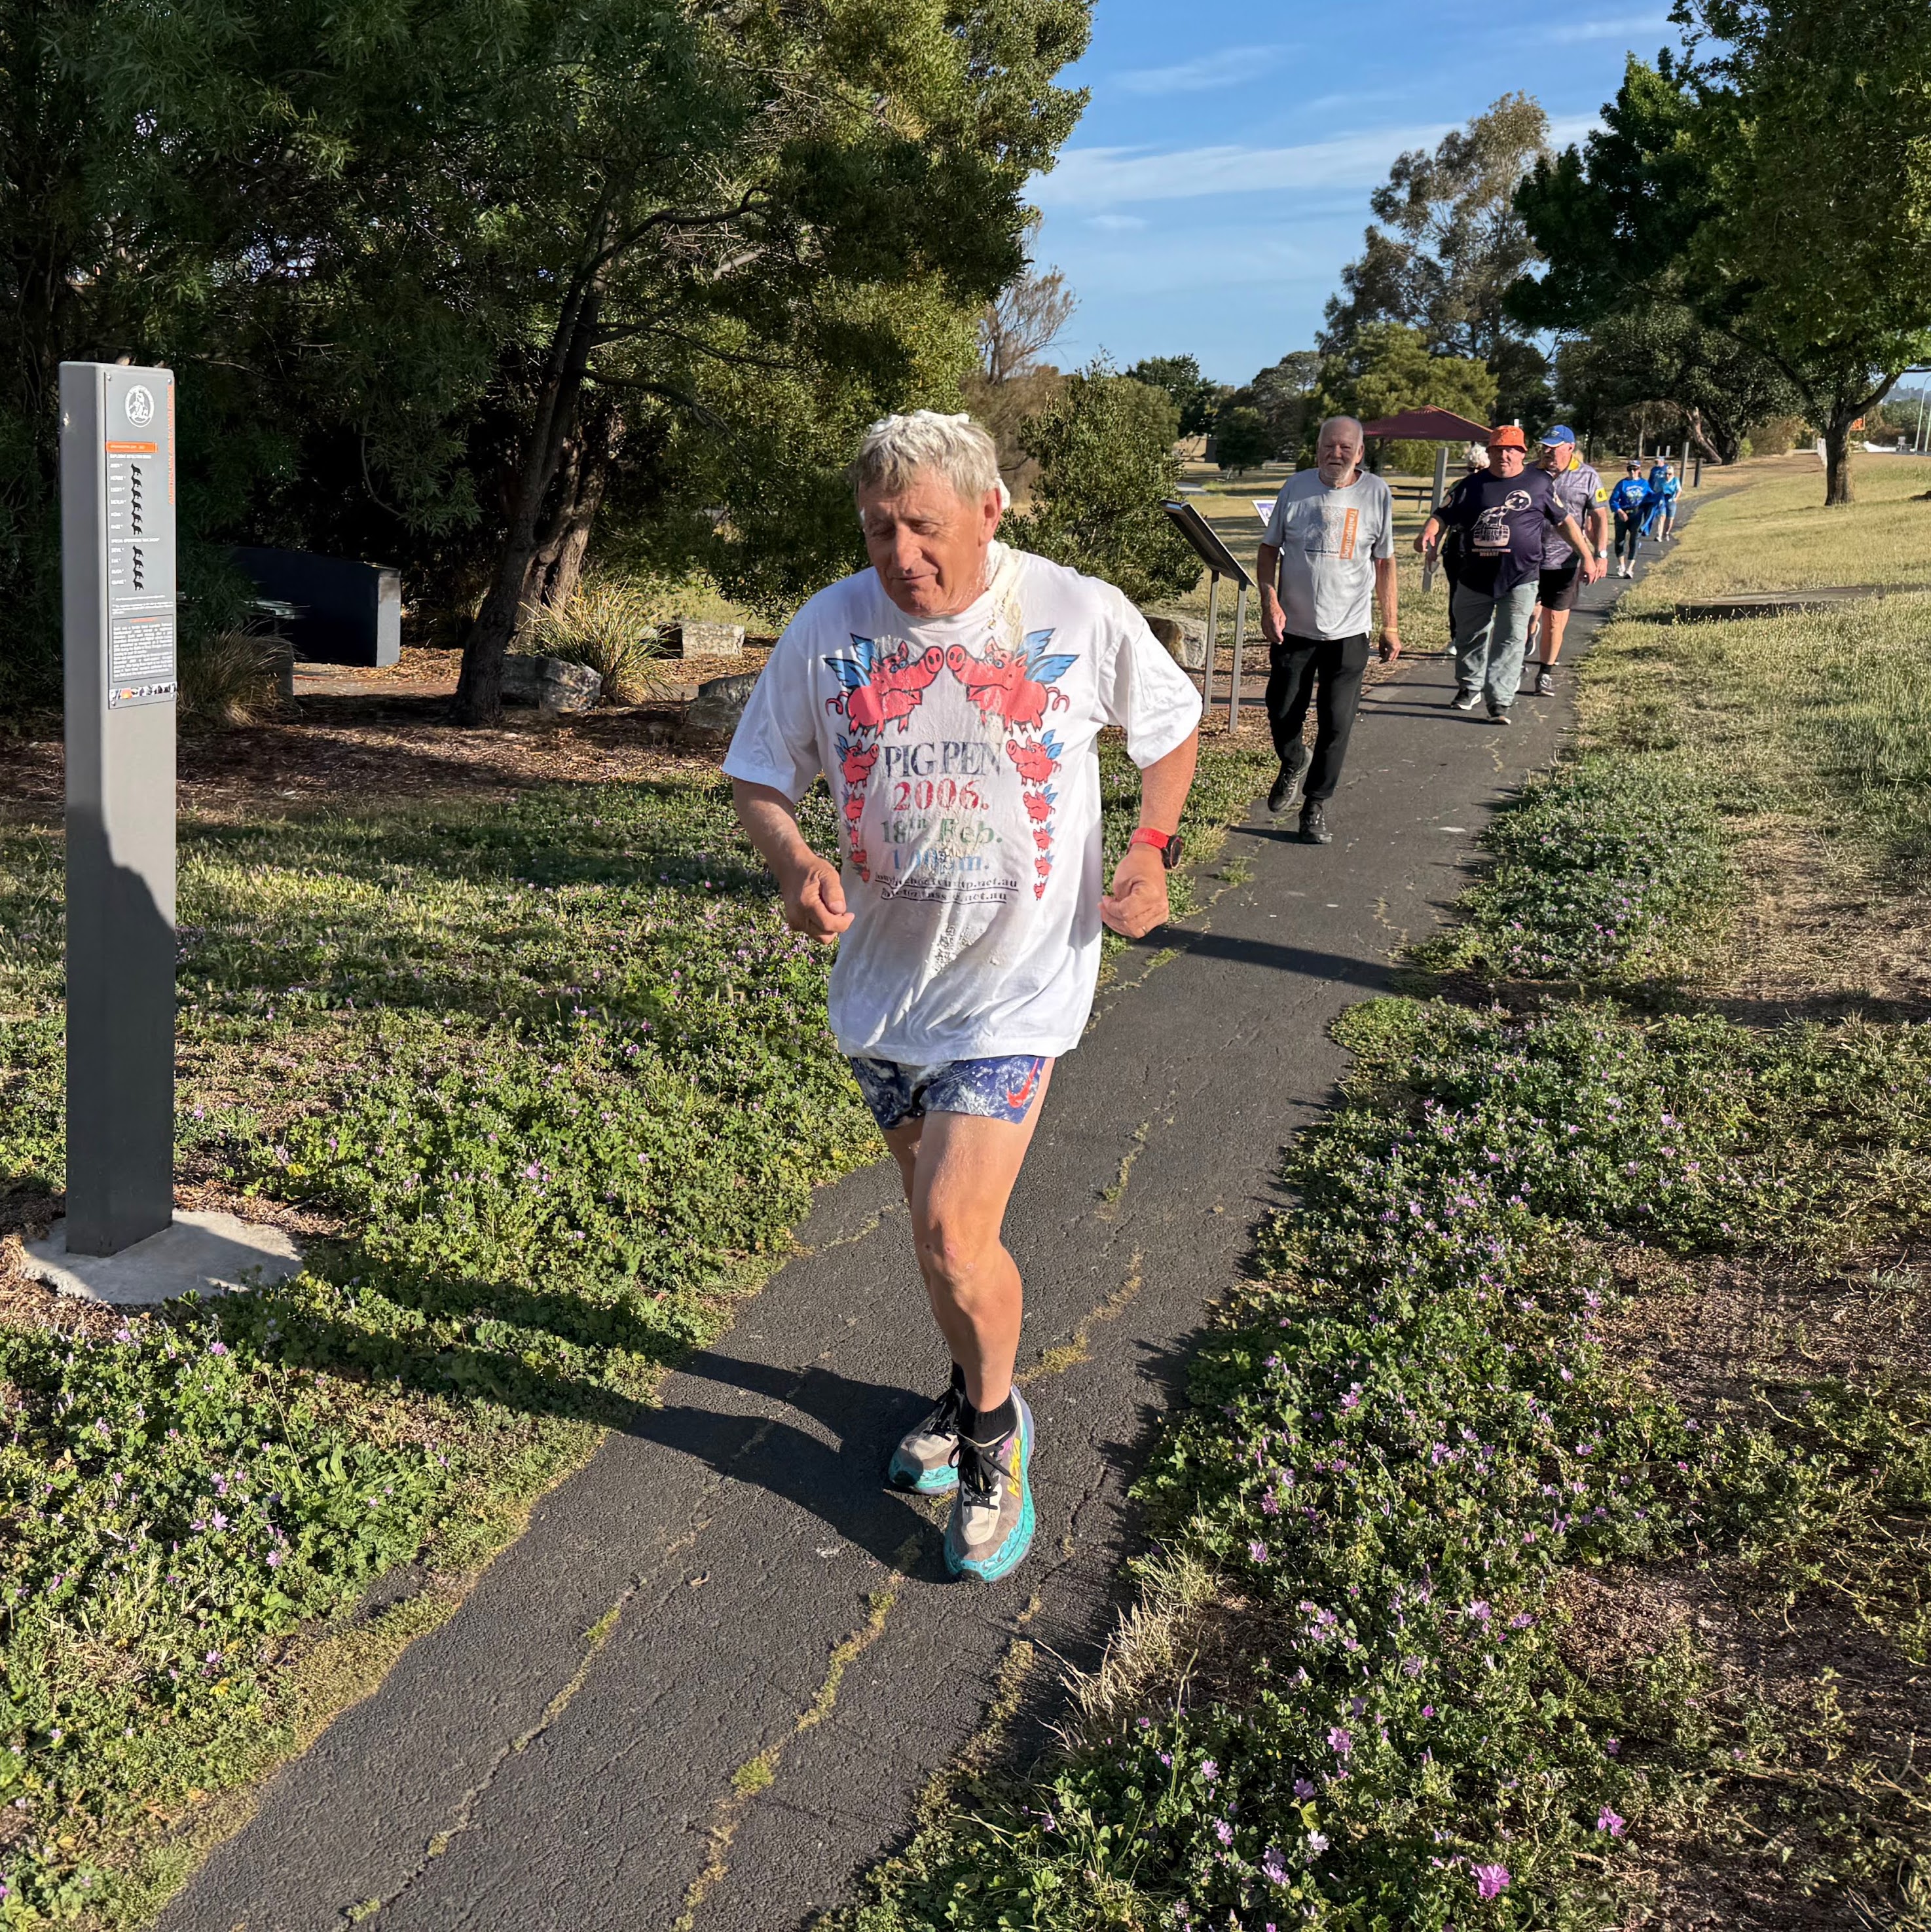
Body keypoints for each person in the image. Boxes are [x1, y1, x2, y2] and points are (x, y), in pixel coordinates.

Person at [724, 411, 1202, 1585]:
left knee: (950, 1229)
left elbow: (1170, 725)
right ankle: (968, 1386)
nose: (902, 555)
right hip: (886, 992)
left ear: (990, 511)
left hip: (1016, 983)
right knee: (939, 1237)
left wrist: (1149, 850)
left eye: (924, 526)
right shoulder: (829, 625)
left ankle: (994, 1439)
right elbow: (758, 777)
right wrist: (794, 865)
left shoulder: (1073, 610)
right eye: (878, 529)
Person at [1255, 416, 1399, 844]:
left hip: (1349, 630)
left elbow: (1384, 562)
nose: (1335, 454)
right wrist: (1269, 602)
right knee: (1282, 711)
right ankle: (1293, 760)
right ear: (1317, 449)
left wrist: (1390, 625)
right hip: (1294, 628)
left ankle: (1315, 806)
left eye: (1345, 448)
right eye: (1327, 446)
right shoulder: (1296, 488)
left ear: (1359, 452)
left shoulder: (1376, 493)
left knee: (1337, 724)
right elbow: (1268, 550)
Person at [1415, 425, 1604, 724]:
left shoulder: (1538, 483)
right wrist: (1430, 532)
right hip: (1474, 577)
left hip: (1521, 577)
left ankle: (1499, 702)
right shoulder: (1469, 485)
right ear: (1489, 453)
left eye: (1511, 450)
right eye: (1498, 449)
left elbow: (1564, 521)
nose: (1504, 455)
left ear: (1522, 454)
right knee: (1469, 635)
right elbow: (1443, 515)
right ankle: (1470, 687)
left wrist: (1588, 556)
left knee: (1512, 638)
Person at [1523, 426, 1607, 698]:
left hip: (1565, 561)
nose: (1548, 452)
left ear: (1570, 448)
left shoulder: (1588, 476)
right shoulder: (1528, 473)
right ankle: (1524, 644)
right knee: (1525, 615)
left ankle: (1544, 674)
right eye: (1545, 447)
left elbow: (1599, 517)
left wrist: (1600, 554)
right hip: (1528, 558)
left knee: (1554, 620)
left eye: (1554, 448)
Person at [1607, 460, 1648, 576]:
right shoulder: (1622, 484)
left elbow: (1651, 497)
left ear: (1639, 470)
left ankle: (1630, 569)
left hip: (1637, 515)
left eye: (1635, 469)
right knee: (1620, 541)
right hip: (1623, 514)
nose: (1632, 472)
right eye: (1630, 469)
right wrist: (1619, 511)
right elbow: (1613, 500)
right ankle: (1621, 565)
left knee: (1635, 540)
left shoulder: (1644, 484)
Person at [1657, 461, 1682, 540]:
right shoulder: (1661, 480)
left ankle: (1666, 533)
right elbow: (1656, 490)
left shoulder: (1675, 480)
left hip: (1671, 500)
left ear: (1673, 474)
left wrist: (1676, 498)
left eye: (1669, 474)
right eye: (1666, 474)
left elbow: (1679, 490)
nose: (1667, 476)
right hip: (1663, 500)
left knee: (1670, 519)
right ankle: (1659, 535)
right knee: (1662, 516)